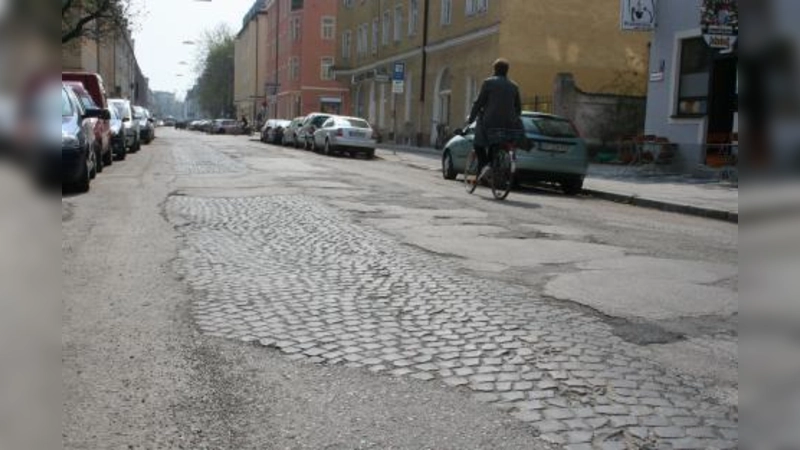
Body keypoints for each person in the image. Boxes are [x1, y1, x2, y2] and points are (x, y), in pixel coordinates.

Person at [467, 58, 524, 180]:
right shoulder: (514, 86)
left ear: (495, 70)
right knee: (496, 142)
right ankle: (492, 165)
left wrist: (471, 118)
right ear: (506, 71)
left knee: (478, 144)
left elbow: (479, 103)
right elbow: (518, 108)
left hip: (489, 122)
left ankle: (485, 165)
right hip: (509, 124)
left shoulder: (488, 83)